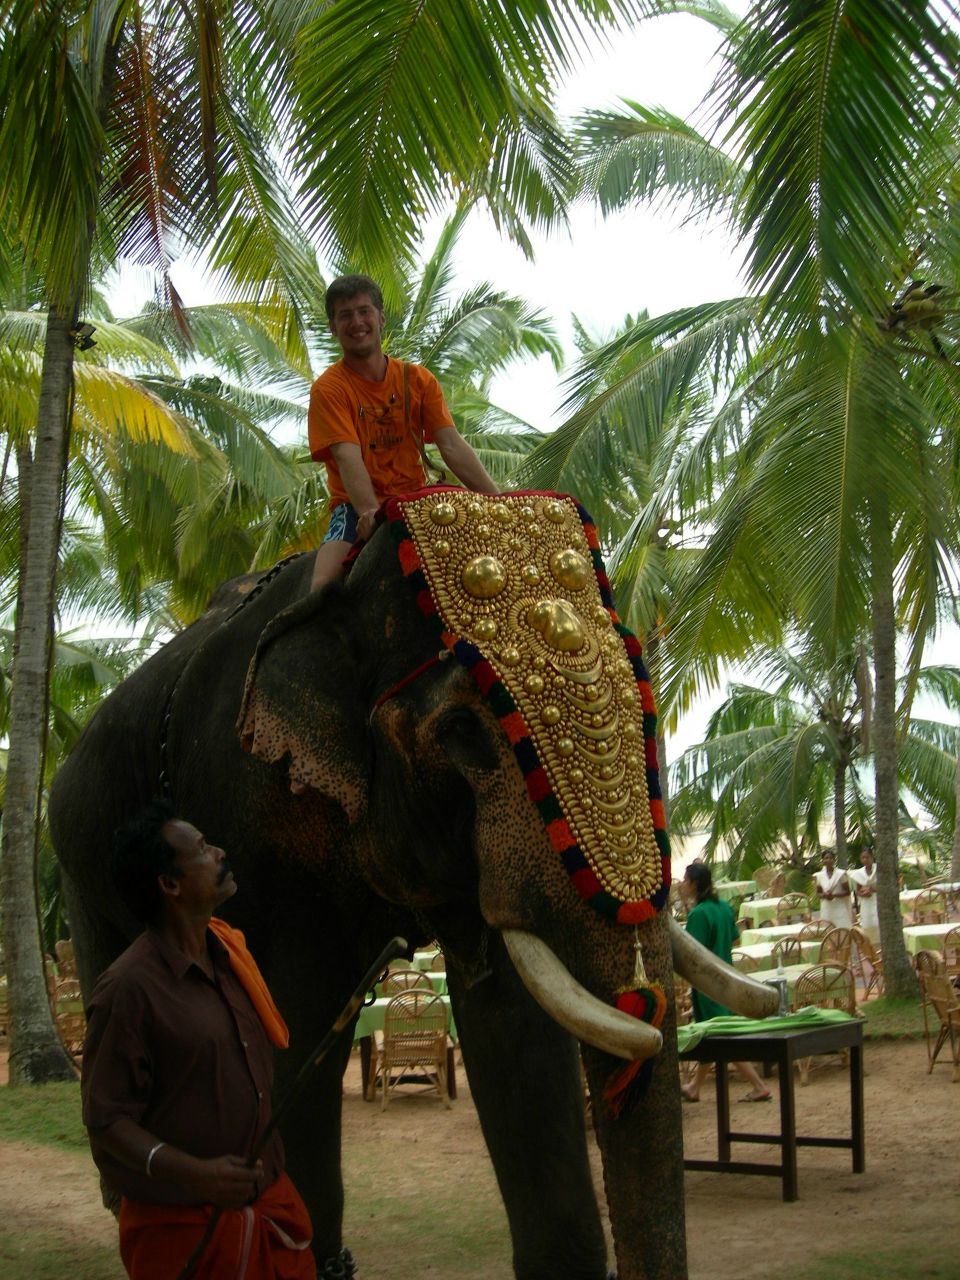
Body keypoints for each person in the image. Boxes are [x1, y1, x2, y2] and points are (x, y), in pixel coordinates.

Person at [81, 801, 317, 1280]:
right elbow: (105, 1121)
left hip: (270, 1215)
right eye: (205, 848)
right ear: (169, 884)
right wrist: (195, 1173)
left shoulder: (230, 957)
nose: (220, 852)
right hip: (186, 1238)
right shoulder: (128, 990)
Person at [307, 273, 499, 592]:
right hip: (357, 511)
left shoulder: (418, 380)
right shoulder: (329, 389)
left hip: (416, 503)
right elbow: (346, 456)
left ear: (381, 318)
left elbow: (451, 445)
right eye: (345, 315)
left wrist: (498, 500)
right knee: (323, 587)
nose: (357, 322)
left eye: (364, 311)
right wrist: (370, 513)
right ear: (333, 327)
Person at [679, 862, 772, 1103]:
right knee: (714, 1034)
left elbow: (692, 952)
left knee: (721, 1035)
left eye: (685, 880)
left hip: (708, 984)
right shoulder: (723, 908)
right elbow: (733, 940)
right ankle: (694, 1087)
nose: (682, 884)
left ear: (694, 884)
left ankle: (759, 1084)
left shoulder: (698, 914)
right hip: (728, 979)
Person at [814, 849, 853, 929]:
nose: (828, 860)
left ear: (834, 860)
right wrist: (824, 895)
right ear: (823, 861)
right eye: (826, 858)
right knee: (829, 930)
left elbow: (848, 892)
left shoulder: (840, 874)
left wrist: (834, 895)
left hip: (839, 907)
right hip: (827, 908)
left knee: (843, 930)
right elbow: (818, 893)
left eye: (831, 858)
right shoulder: (819, 876)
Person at [848, 846, 879, 944]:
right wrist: (864, 893)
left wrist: (872, 890)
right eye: (863, 857)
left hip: (878, 900)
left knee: (879, 924)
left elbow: (885, 886)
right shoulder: (858, 874)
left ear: (872, 857)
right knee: (867, 924)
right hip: (866, 903)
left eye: (867, 857)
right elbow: (857, 890)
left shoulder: (879, 869)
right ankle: (871, 948)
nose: (865, 860)